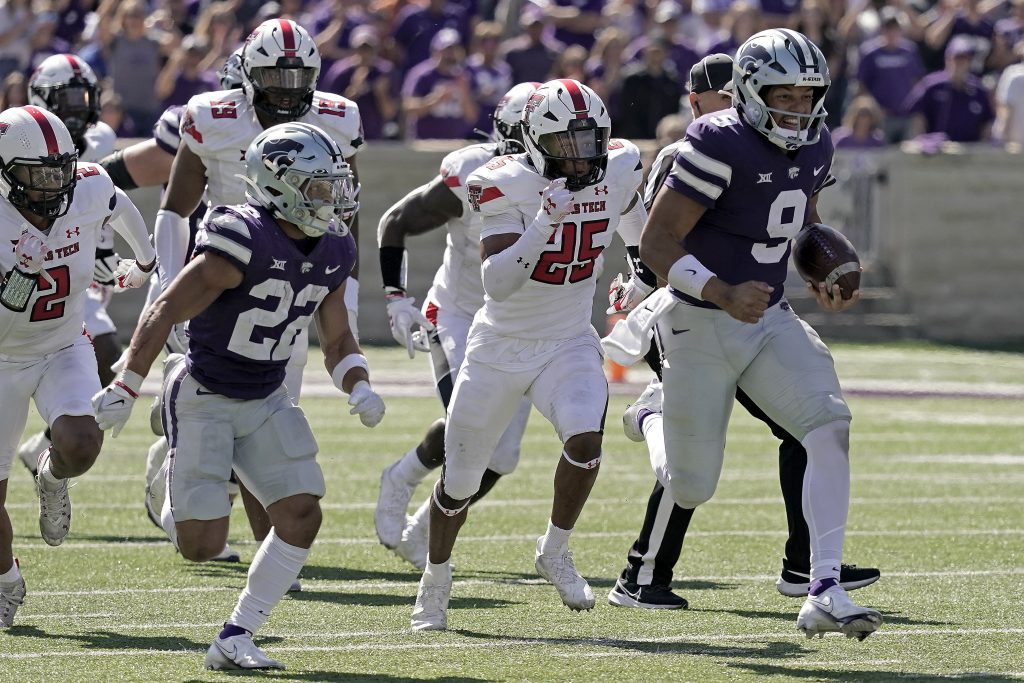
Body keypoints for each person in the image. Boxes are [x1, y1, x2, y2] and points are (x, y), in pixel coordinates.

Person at [91, 121, 385, 670]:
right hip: (205, 390)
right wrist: (127, 383)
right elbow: (165, 310)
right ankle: (169, 461)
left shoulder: (336, 248)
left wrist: (359, 382)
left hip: (267, 394)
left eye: (334, 185)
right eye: (319, 187)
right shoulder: (241, 237)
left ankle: (235, 636)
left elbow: (338, 335)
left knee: (301, 515)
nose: (334, 199)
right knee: (201, 544)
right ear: (279, 185)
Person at [605, 52, 879, 610]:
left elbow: (801, 219)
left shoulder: (816, 142)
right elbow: (657, 246)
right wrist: (722, 292)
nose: (799, 110)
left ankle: (821, 583)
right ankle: (651, 417)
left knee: (826, 424)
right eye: (785, 98)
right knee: (692, 485)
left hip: (767, 318)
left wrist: (820, 270)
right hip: (696, 323)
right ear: (752, 93)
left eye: (807, 97)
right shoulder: (714, 142)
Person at [411, 79, 647, 631]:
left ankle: (554, 549)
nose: (583, 155)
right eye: (569, 143)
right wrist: (546, 220)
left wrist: (639, 275)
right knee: (461, 479)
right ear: (537, 143)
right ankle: (436, 579)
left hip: (568, 338)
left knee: (587, 439)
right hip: (498, 347)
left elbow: (635, 221)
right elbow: (498, 283)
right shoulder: (503, 183)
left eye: (592, 141)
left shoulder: (618, 165)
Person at [0, 105, 156, 627]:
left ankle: (51, 475)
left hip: (63, 345)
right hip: (1, 357)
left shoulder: (83, 185)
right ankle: (6, 579)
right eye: (37, 175)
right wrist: (21, 277)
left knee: (83, 444)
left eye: (59, 169)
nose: (53, 185)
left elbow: (116, 201)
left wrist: (147, 260)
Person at [374, 81, 540, 569]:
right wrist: (395, 299)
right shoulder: (471, 175)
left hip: (524, 327)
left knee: (501, 457)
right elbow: (395, 221)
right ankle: (402, 477)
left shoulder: (577, 178)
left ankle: (424, 522)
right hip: (461, 314)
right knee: (473, 427)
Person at [97, 50, 252, 565]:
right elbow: (125, 171)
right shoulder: (202, 121)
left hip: (255, 280)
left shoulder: (307, 124)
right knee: (197, 390)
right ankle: (174, 488)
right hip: (192, 272)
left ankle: (180, 479)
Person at [15, 53, 122, 475]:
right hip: (32, 261)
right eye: (68, 102)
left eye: (84, 101)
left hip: (80, 260)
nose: (78, 112)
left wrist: (107, 249)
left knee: (98, 355)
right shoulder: (16, 141)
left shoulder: (101, 141)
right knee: (103, 351)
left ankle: (44, 445)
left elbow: (109, 196)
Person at [903, 35, 994, 143]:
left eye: (965, 58)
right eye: (957, 58)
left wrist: (982, 147)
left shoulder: (978, 90)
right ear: (947, 59)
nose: (960, 63)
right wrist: (921, 142)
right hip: (937, 150)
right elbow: (917, 116)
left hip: (969, 151)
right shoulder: (931, 85)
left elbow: (987, 122)